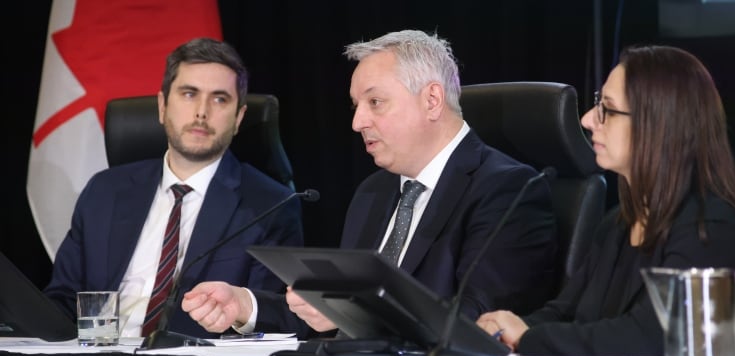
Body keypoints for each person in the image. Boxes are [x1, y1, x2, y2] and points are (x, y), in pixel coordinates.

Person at [182, 30, 557, 337]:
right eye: (355, 106)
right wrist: (246, 305)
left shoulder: (509, 190)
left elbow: (476, 319)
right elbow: (327, 314)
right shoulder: (373, 192)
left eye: (375, 102)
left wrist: (354, 312)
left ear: (431, 100)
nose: (357, 122)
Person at [476, 44, 735, 356]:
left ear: (657, 125)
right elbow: (564, 313)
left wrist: (529, 338)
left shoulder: (710, 227)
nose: (586, 120)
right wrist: (504, 329)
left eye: (607, 110)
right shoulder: (616, 224)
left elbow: (652, 336)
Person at [44, 37, 305, 339]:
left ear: (239, 118)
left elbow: (278, 314)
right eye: (189, 94)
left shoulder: (269, 205)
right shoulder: (104, 192)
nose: (201, 112)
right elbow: (62, 300)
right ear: (162, 106)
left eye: (220, 99)